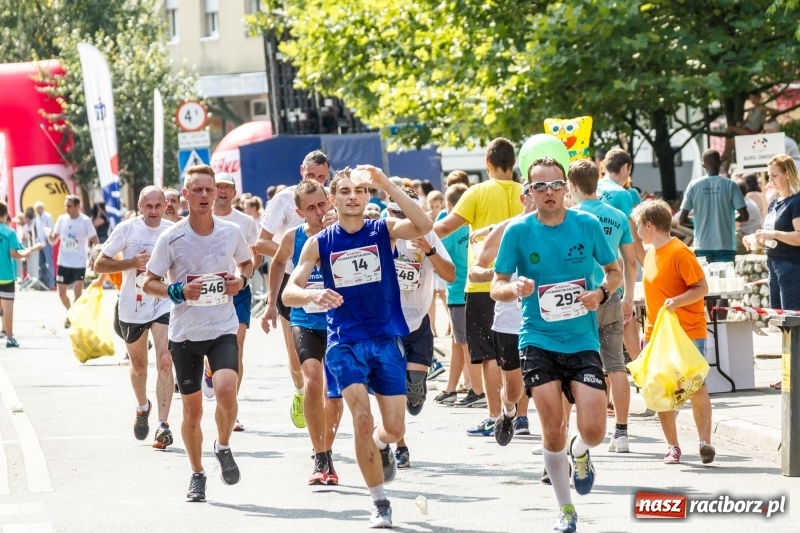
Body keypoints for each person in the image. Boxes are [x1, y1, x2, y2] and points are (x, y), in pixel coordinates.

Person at [282, 166, 433, 528]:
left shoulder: (384, 230)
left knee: (393, 429)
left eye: (360, 191)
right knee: (361, 419)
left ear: (367, 197)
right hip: (344, 342)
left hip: (384, 339)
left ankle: (381, 445)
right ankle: (379, 502)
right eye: (345, 191)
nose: (353, 197)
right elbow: (289, 292)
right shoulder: (320, 243)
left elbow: (424, 224)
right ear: (333, 199)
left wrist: (385, 183)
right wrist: (312, 294)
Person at [491, 157, 621, 533]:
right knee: (553, 427)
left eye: (555, 185)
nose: (548, 192)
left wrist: (601, 293)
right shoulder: (518, 231)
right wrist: (513, 288)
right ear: (529, 192)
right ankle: (566, 510)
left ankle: (580, 453)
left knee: (594, 430)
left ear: (566, 187)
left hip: (581, 339)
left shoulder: (587, 224)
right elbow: (497, 285)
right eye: (539, 186)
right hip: (538, 338)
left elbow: (614, 271)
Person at [143, 164, 253, 502]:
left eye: (209, 189)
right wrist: (177, 291)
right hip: (185, 334)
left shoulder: (231, 231)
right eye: (198, 190)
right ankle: (197, 473)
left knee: (226, 390)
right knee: (192, 412)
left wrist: (241, 280)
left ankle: (223, 445)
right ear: (185, 195)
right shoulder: (171, 237)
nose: (205, 196)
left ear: (216, 192)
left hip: (222, 326)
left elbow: (247, 263)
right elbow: (149, 282)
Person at [434, 138, 523, 434]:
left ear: (487, 163)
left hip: (483, 283)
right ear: (513, 163)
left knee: (488, 354)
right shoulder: (526, 193)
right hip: (519, 282)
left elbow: (445, 227)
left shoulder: (477, 192)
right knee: (519, 351)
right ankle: (521, 417)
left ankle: (495, 416)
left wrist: (414, 233)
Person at [261, 179, 344, 485]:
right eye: (311, 208)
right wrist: (271, 303)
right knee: (312, 381)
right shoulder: (293, 237)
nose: (318, 211)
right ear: (300, 212)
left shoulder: (345, 232)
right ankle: (319, 456)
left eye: (322, 204)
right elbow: (278, 263)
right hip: (305, 319)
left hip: (339, 322)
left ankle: (327, 450)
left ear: (330, 202)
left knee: (333, 393)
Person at [632, 199, 715, 466]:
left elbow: (701, 288)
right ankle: (673, 446)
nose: (636, 231)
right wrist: (647, 332)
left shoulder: (680, 252)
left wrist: (676, 302)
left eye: (638, 225)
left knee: (694, 385)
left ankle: (704, 443)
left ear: (649, 225)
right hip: (657, 333)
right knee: (661, 387)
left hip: (688, 330)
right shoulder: (650, 254)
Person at [94, 187, 175, 448]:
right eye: (148, 206)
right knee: (139, 366)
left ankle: (163, 424)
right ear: (140, 206)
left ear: (165, 205)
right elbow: (99, 264)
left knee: (165, 360)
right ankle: (143, 407)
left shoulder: (173, 230)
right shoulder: (126, 229)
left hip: (163, 303)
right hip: (132, 307)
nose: (153, 211)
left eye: (158, 206)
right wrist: (131, 263)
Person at [256, 150, 332, 429]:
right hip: (293, 282)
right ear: (302, 171)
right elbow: (261, 243)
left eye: (322, 176)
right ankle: (301, 392)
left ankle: (323, 410)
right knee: (297, 360)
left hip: (328, 283)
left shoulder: (332, 200)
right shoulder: (284, 199)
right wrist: (298, 253)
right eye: (311, 175)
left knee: (327, 365)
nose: (316, 180)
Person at [568, 160, 637, 453]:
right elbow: (630, 263)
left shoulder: (571, 216)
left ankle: (570, 433)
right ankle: (621, 433)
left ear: (572, 186)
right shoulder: (617, 215)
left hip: (580, 299)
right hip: (611, 294)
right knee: (616, 364)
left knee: (571, 364)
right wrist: (629, 297)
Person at [388, 189, 455, 469]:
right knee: (392, 392)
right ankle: (400, 446)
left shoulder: (427, 234)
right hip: (387, 325)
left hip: (417, 324)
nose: (404, 220)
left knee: (413, 398)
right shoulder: (380, 234)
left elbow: (450, 274)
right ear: (389, 213)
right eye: (398, 213)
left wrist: (428, 249)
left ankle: (417, 386)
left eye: (409, 214)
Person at [469, 181, 539, 446]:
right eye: (535, 191)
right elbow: (475, 271)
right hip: (510, 320)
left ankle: (525, 418)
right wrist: (499, 273)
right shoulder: (505, 229)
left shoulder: (561, 227)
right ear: (523, 198)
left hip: (544, 320)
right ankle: (509, 409)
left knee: (546, 377)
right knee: (513, 386)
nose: (543, 195)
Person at [202, 172, 261, 432]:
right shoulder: (202, 218)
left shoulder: (245, 222)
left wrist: (242, 278)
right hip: (208, 291)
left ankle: (230, 409)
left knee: (236, 347)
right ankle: (209, 369)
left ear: (235, 192)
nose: (223, 191)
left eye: (228, 187)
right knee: (208, 344)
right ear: (213, 190)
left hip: (238, 290)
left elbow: (255, 256)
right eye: (219, 187)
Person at [597, 149, 645, 364]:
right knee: (627, 319)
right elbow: (633, 241)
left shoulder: (591, 188)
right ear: (626, 168)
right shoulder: (622, 194)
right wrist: (650, 265)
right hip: (615, 268)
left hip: (590, 268)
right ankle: (642, 371)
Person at [679, 149, 749, 264]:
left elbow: (682, 219)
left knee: (705, 276)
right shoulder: (731, 185)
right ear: (720, 162)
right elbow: (745, 216)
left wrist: (698, 222)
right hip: (726, 245)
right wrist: (729, 219)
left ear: (703, 165)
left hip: (702, 246)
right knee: (726, 276)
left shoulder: (693, 185)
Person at [48, 195, 100, 327]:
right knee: (61, 293)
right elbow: (54, 240)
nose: (67, 208)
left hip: (79, 262)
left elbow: (95, 240)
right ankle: (70, 312)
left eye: (69, 206)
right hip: (63, 262)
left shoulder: (85, 220)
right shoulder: (62, 219)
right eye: (65, 206)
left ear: (77, 206)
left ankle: (72, 318)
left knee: (77, 290)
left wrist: (93, 258)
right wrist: (48, 234)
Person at [0, 201, 45, 347]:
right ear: (5, 214)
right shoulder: (9, 232)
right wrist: (26, 253)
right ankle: (10, 338)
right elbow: (14, 253)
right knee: (7, 307)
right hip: (5, 276)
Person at [32, 201, 55, 289]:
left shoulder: (47, 216)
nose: (38, 211)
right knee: (41, 264)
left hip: (47, 243)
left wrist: (47, 240)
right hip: (40, 243)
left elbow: (50, 228)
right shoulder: (37, 218)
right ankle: (44, 282)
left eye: (39, 209)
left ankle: (51, 283)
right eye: (36, 209)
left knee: (49, 263)